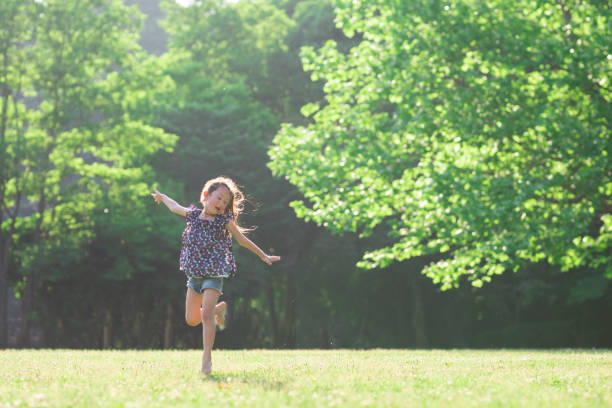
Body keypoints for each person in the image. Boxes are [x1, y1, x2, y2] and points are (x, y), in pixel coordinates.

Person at [151, 176, 280, 375]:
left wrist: (263, 255)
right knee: (192, 320)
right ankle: (219, 309)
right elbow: (175, 207)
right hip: (194, 275)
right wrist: (162, 197)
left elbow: (242, 239)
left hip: (215, 272)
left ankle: (206, 359)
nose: (221, 204)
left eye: (225, 202)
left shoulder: (223, 221)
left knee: (205, 314)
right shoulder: (193, 215)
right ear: (206, 196)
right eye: (218, 198)